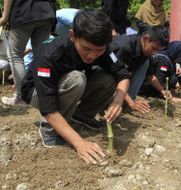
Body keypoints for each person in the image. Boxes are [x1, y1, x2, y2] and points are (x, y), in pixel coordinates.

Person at [21, 9, 130, 164]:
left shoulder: (102, 49)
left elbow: (123, 75)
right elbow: (48, 107)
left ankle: (81, 117)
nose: (92, 55)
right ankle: (48, 130)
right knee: (76, 79)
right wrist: (79, 143)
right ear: (72, 36)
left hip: (67, 87)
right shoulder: (50, 54)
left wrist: (118, 101)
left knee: (108, 79)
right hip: (36, 91)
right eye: (86, 49)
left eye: (99, 50)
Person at [1, 0, 56, 106]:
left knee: (15, 55)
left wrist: (5, 16)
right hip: (46, 12)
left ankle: (22, 97)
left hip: (23, 11)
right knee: (41, 56)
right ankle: (43, 95)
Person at [108, 26, 169, 113]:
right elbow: (114, 76)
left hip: (121, 82)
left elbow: (150, 76)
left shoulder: (147, 53)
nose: (155, 52)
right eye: (154, 48)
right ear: (145, 39)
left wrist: (163, 91)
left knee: (145, 63)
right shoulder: (123, 46)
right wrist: (131, 102)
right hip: (106, 81)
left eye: (158, 50)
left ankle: (127, 100)